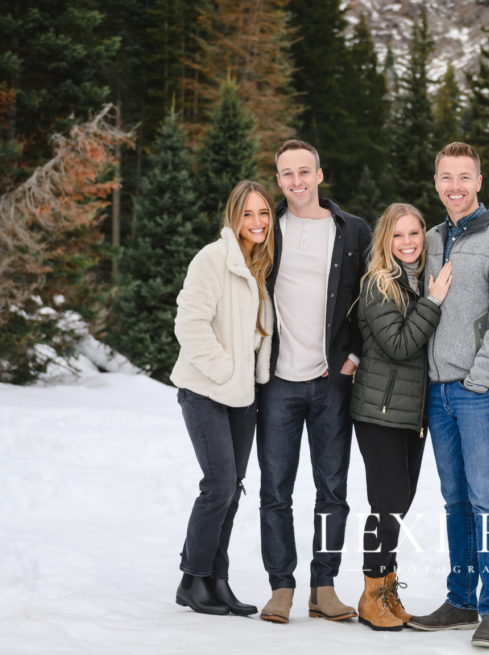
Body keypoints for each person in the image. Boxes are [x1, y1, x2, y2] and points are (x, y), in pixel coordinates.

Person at [407, 142, 489, 648]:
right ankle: (461, 599)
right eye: (445, 177)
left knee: (486, 502)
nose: (454, 186)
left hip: (481, 394)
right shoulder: (431, 238)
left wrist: (480, 377)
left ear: (478, 181)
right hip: (437, 395)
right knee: (455, 501)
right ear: (436, 182)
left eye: (464, 177)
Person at [256, 140, 372, 625]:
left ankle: (323, 586)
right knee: (275, 490)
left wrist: (355, 355)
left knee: (333, 490)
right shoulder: (266, 229)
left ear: (320, 175)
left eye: (305, 171)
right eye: (287, 174)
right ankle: (281, 587)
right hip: (278, 381)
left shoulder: (353, 231)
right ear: (278, 179)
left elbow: (372, 296)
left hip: (331, 381)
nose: (296, 181)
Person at [170, 180, 276, 617]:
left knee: (231, 490)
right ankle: (192, 580)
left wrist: (248, 380)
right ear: (234, 218)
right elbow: (189, 324)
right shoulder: (211, 260)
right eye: (248, 214)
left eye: (264, 214)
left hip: (243, 396)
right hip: (206, 391)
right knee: (217, 486)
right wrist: (226, 371)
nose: (257, 222)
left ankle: (217, 581)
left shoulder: (259, 265)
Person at [349, 203, 453, 631]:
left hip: (411, 412)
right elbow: (399, 345)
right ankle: (372, 593)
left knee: (399, 504)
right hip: (380, 411)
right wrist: (434, 301)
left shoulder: (416, 281)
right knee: (387, 504)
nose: (408, 243)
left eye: (415, 234)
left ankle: (387, 588)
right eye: (398, 235)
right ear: (385, 241)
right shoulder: (378, 283)